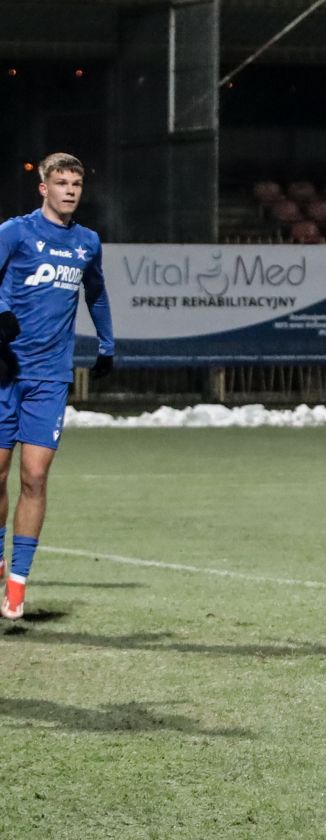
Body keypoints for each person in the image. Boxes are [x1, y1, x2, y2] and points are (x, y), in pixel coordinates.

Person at [0, 152, 114, 620]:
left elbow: (97, 293)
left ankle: (17, 583)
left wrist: (107, 344)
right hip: (5, 371)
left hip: (50, 377)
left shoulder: (87, 242)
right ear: (43, 188)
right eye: (61, 183)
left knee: (35, 476)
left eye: (76, 184)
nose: (70, 190)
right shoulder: (15, 232)